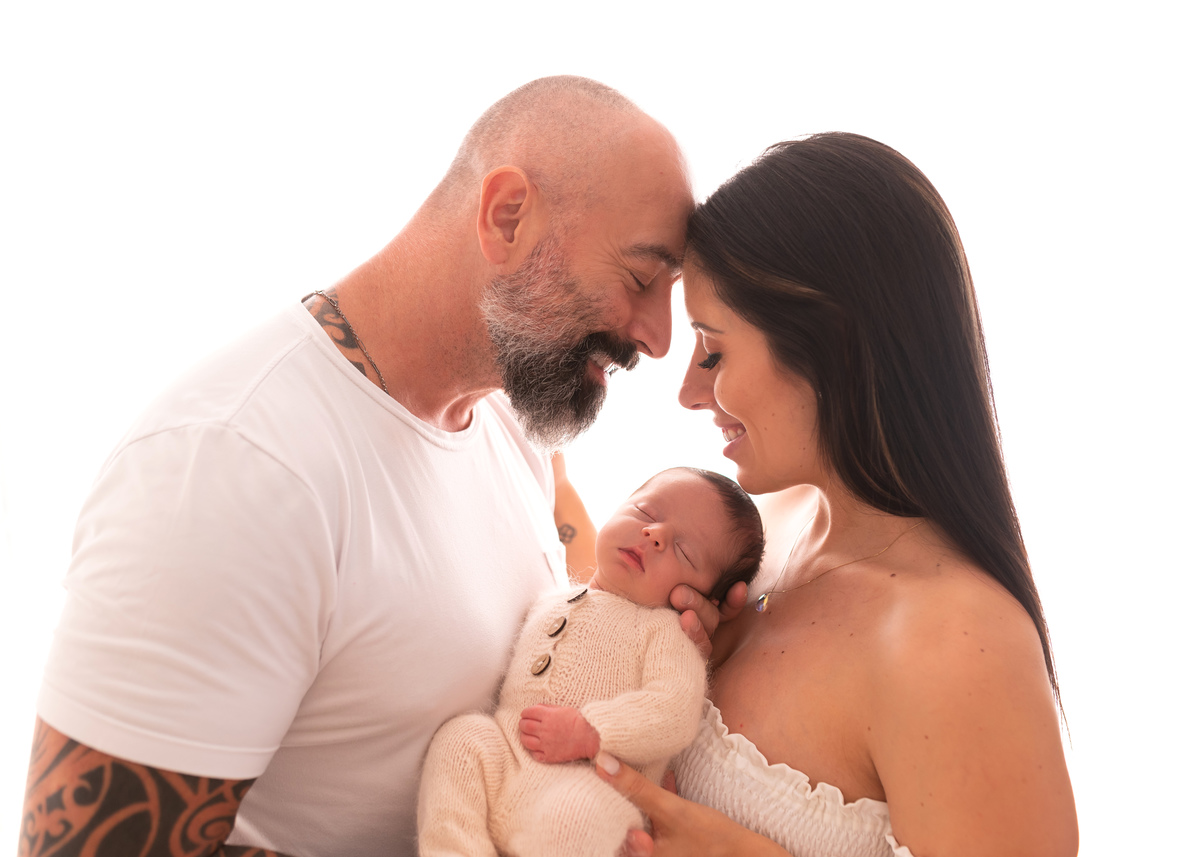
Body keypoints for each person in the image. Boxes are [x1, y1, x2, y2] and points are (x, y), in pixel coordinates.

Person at [20, 76, 695, 857]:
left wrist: (673, 619)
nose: (659, 338)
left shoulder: (503, 424)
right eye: (641, 279)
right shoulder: (232, 468)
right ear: (507, 216)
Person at [593, 134, 1079, 856]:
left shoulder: (957, 646)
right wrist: (705, 644)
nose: (690, 392)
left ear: (833, 348)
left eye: (714, 349)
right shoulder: (771, 533)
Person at [418, 467, 764, 857]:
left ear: (703, 598)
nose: (654, 534)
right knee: (460, 740)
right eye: (645, 512)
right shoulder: (553, 596)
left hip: (590, 782)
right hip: (508, 756)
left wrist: (591, 730)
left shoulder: (666, 633)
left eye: (684, 551)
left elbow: (674, 710)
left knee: (576, 817)